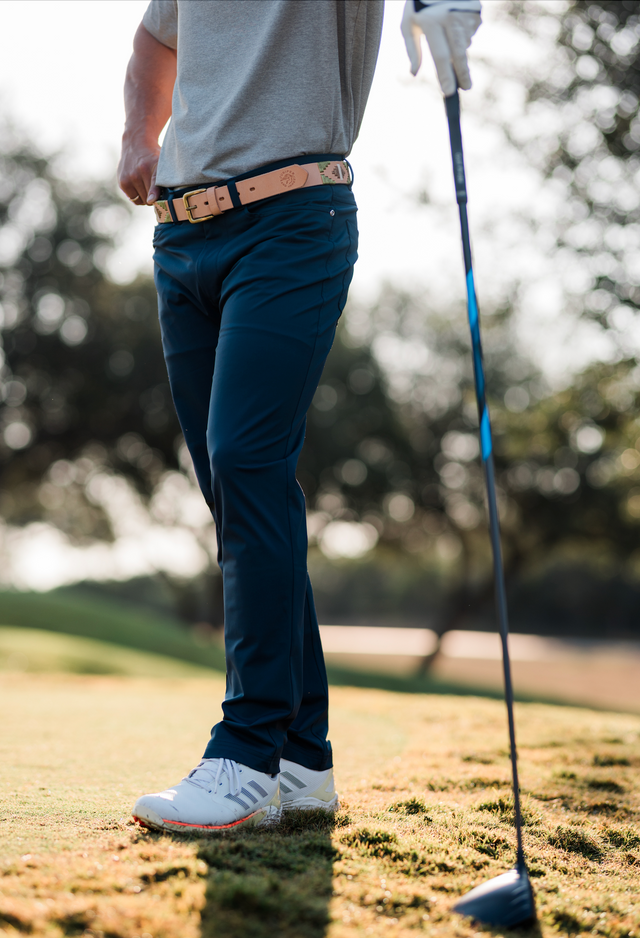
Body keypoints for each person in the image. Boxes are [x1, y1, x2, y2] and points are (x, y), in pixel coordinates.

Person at [118, 0, 481, 834]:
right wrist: (140, 136)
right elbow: (155, 37)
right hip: (180, 240)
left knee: (245, 461)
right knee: (241, 491)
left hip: (292, 222)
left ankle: (245, 752)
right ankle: (303, 758)